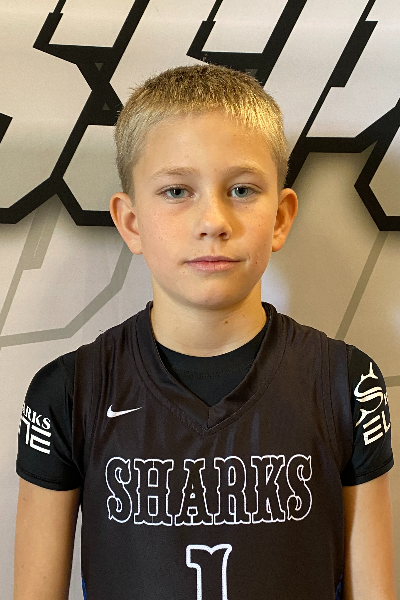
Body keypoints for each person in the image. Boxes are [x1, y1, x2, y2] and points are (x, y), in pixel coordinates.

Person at [14, 64, 395, 600]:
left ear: (281, 217)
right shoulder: (69, 392)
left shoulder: (346, 383)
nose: (213, 220)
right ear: (131, 222)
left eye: (241, 189)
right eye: (177, 191)